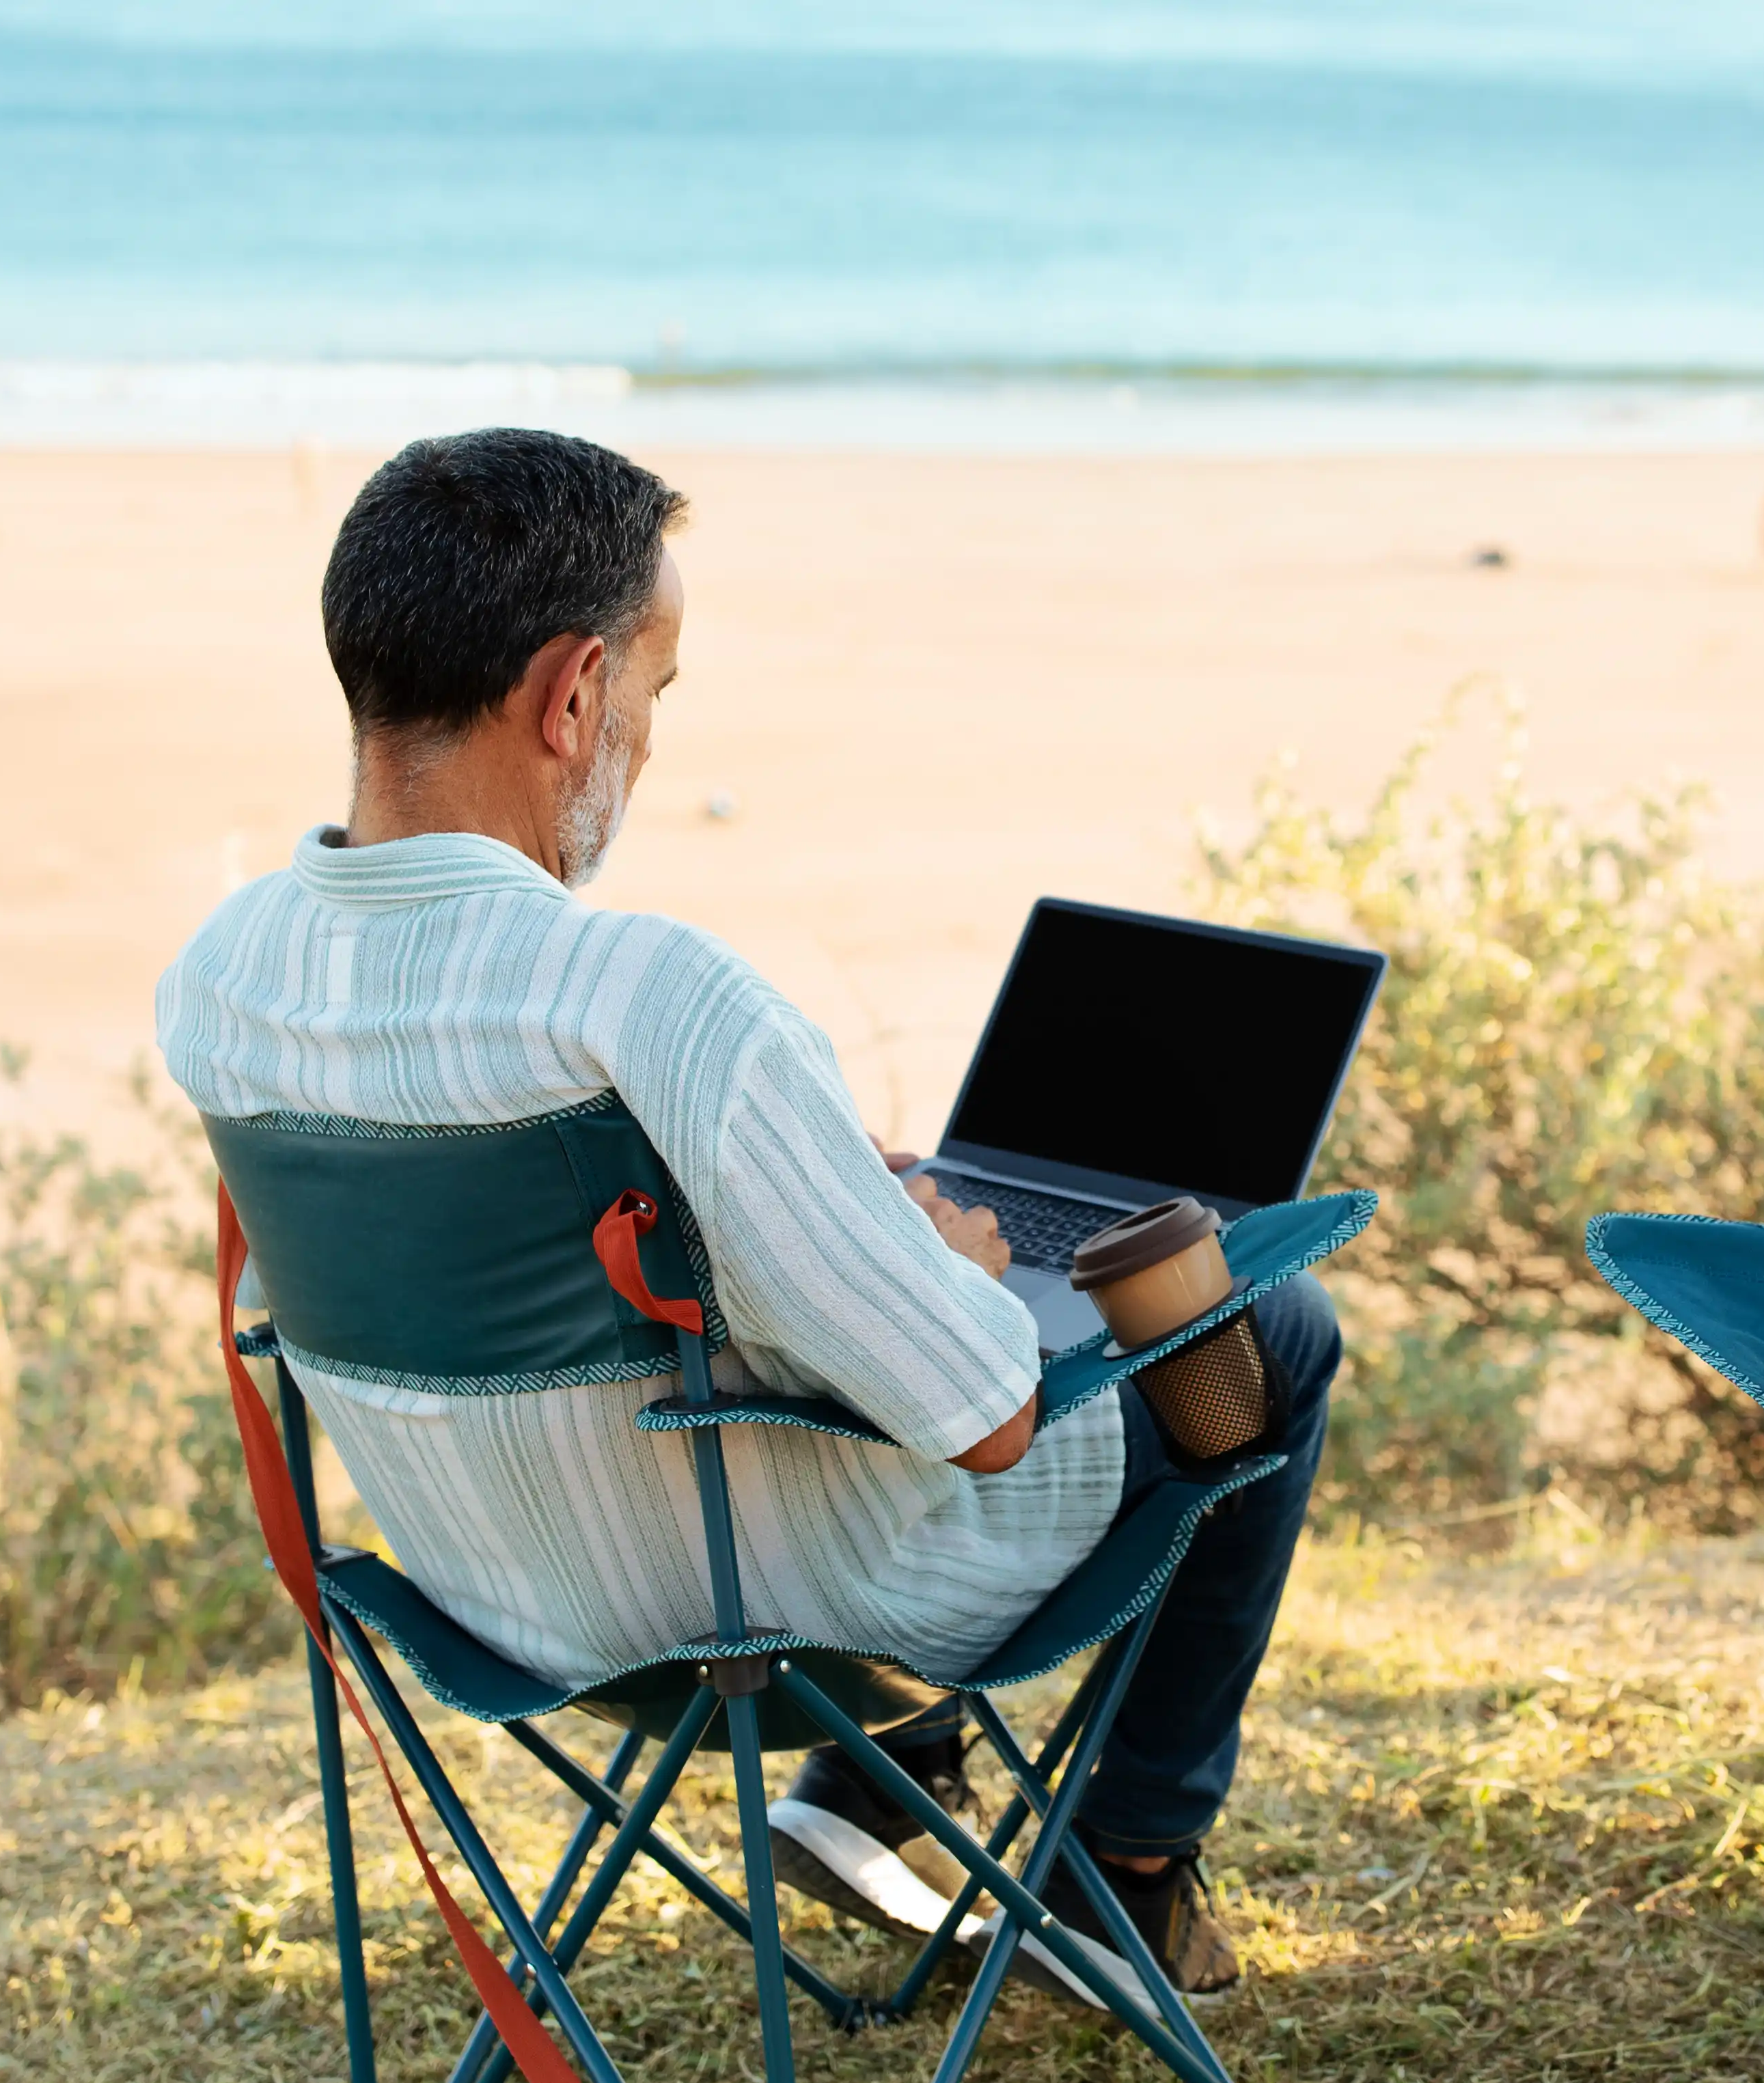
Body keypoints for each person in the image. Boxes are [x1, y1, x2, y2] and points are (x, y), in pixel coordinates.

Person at [156, 428, 1332, 1997]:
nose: (645, 732)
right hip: (768, 1610)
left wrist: (801, 1209)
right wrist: (936, 1258)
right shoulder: (650, 1001)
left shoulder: (220, 980)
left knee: (802, 1330)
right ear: (572, 698)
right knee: (1276, 1328)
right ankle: (1122, 1864)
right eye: (656, 688)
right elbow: (981, 1418)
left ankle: (887, 1791)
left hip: (486, 1600)